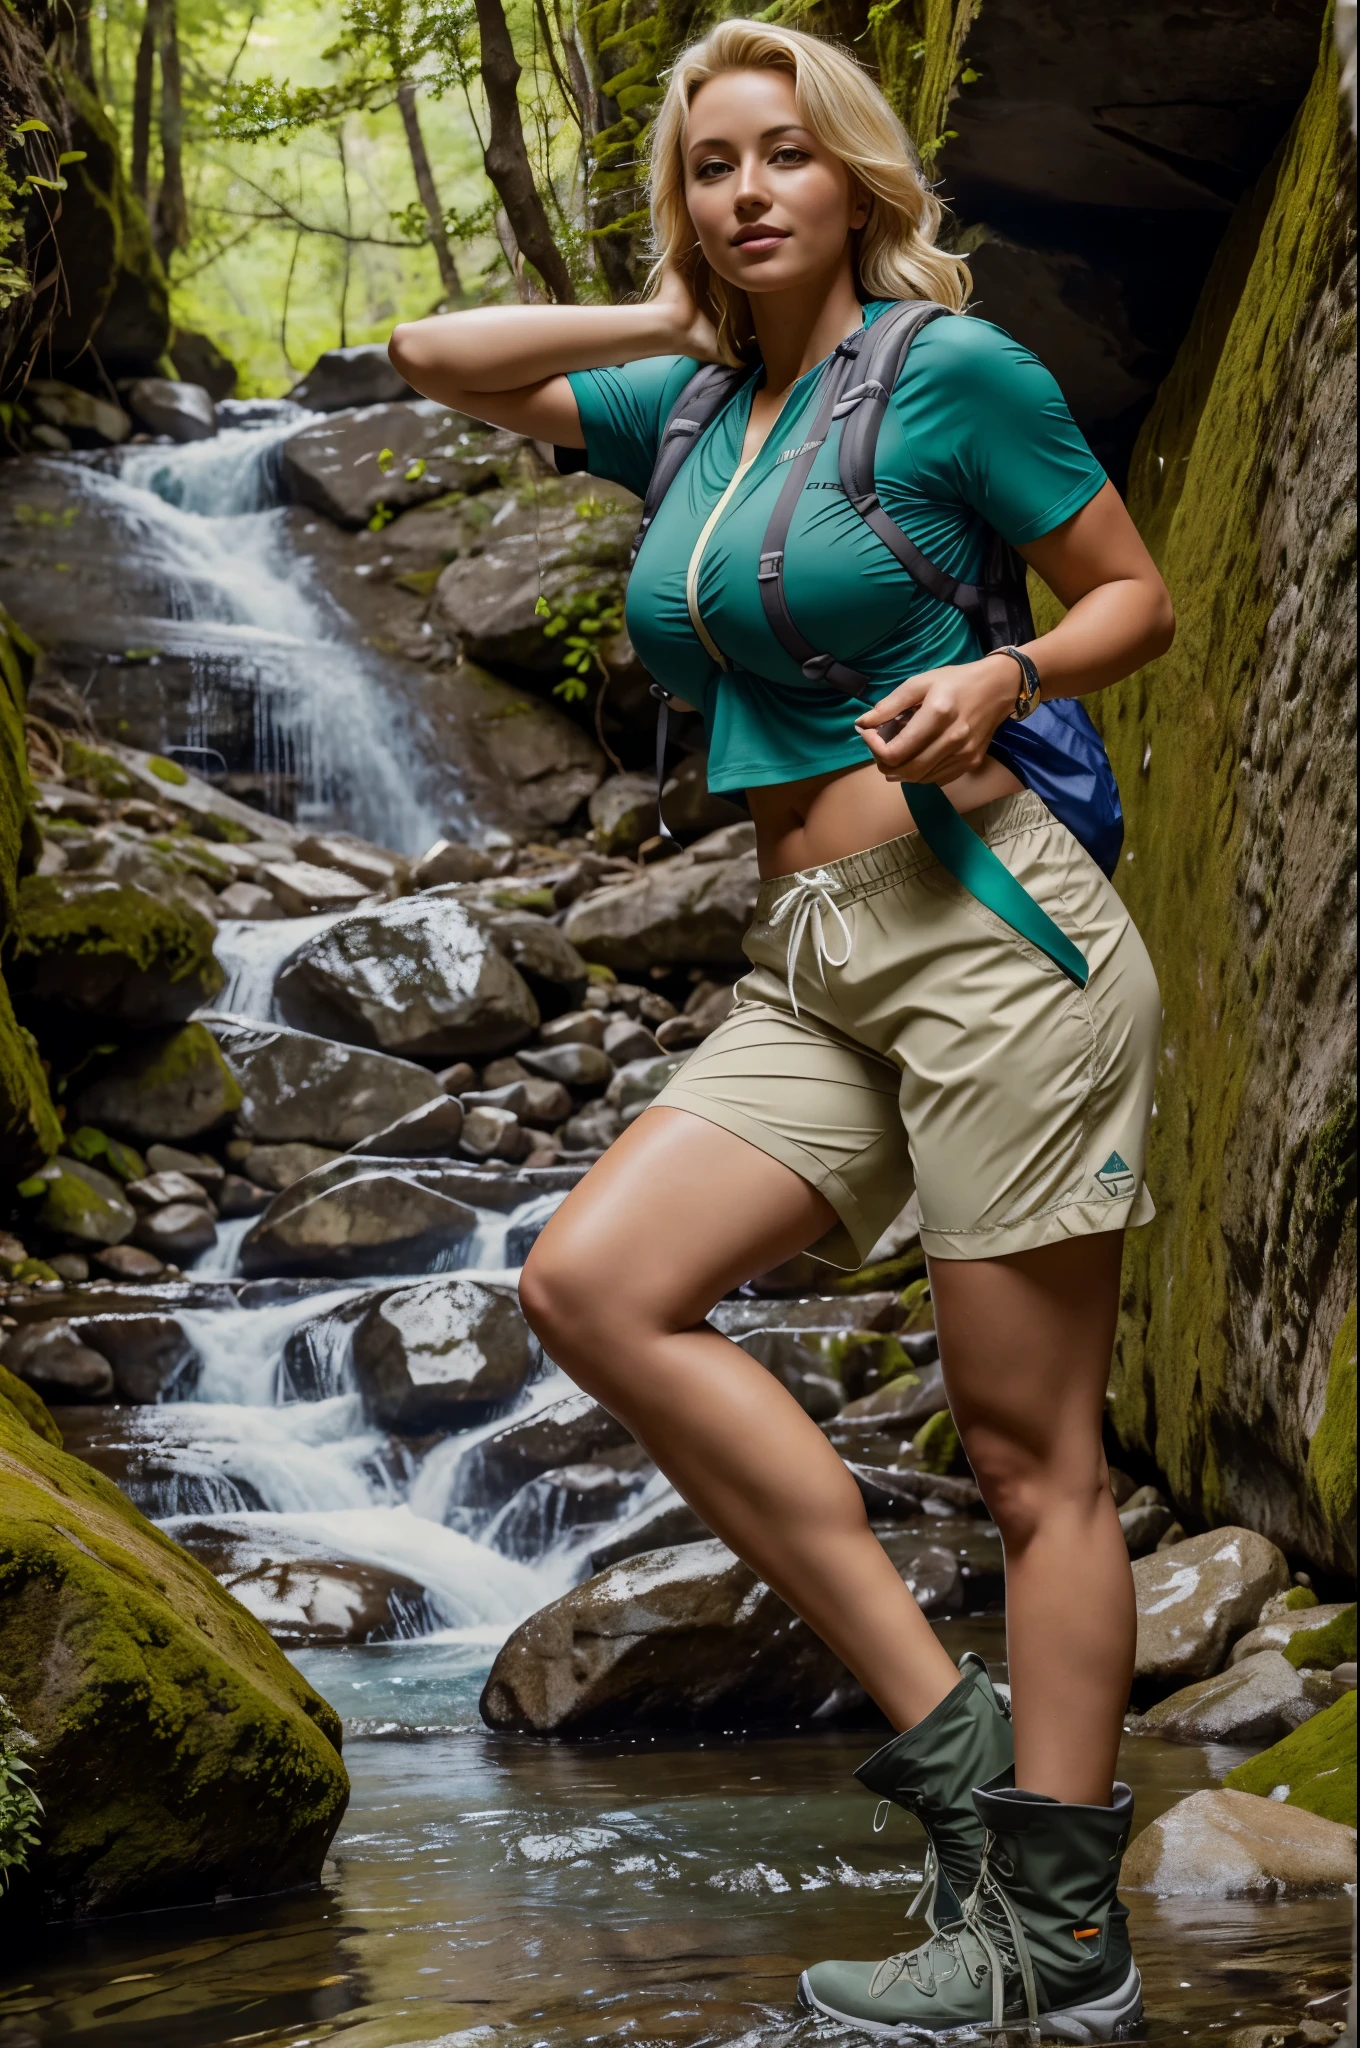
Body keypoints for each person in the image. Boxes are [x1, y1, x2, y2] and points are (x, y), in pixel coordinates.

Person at [389, 18, 1171, 2039]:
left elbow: (1125, 597)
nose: (749, 192)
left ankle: (1056, 1931)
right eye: (712, 164)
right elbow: (428, 358)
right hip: (815, 949)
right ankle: (951, 1744)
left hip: (995, 927)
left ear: (851, 178)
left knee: (1024, 1454)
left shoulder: (952, 377)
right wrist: (667, 304)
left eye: (781, 157)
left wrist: (998, 676)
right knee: (592, 1286)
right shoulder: (684, 406)